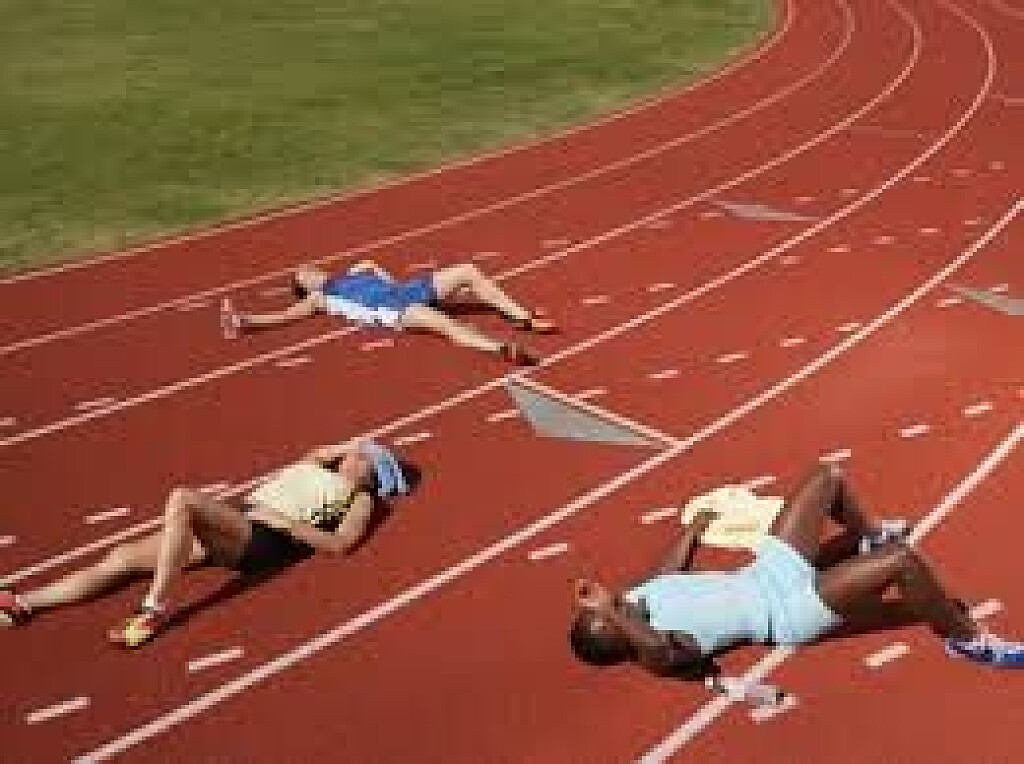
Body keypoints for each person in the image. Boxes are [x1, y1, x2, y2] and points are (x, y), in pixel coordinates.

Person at [570, 464, 1024, 674]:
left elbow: (667, 573)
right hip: (786, 612)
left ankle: (868, 536)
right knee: (902, 563)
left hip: (766, 572)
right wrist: (610, 612)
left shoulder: (640, 600)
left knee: (827, 478)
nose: (615, 603)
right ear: (617, 639)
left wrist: (695, 528)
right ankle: (970, 643)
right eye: (609, 617)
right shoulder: (655, 654)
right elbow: (655, 646)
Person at [0, 441, 408, 648]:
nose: (353, 455)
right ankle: (25, 603)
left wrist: (286, 524)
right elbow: (321, 450)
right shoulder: (318, 463)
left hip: (264, 539)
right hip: (238, 520)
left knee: (183, 499)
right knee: (121, 558)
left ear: (372, 473)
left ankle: (153, 608)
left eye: (363, 457)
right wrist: (352, 446)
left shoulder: (361, 499)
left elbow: (341, 543)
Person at [221, 259, 556, 365]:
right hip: (391, 309)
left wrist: (382, 276)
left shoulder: (352, 272)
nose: (311, 270)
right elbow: (282, 317)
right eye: (303, 275)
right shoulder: (320, 299)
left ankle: (521, 316)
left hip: (405, 290)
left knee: (467, 270)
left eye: (310, 268)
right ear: (305, 288)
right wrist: (244, 320)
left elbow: (374, 267)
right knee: (445, 324)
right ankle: (500, 349)